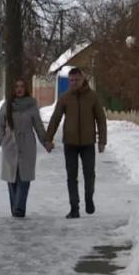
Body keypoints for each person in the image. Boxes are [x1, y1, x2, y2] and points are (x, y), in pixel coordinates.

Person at [45, 67, 107, 219]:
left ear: (83, 79)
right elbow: (55, 118)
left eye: (76, 80)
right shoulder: (65, 98)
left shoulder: (92, 97)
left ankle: (89, 197)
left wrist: (102, 141)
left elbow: (101, 119)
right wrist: (48, 138)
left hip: (88, 143)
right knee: (71, 177)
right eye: (71, 80)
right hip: (70, 143)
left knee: (89, 174)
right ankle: (74, 208)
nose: (73, 83)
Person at [0, 78, 49, 217]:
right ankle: (15, 208)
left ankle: (19, 209)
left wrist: (45, 141)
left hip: (27, 145)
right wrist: (1, 139)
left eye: (22, 86)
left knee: (24, 177)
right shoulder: (7, 105)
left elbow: (38, 125)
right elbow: (0, 124)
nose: (19, 89)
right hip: (10, 144)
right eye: (16, 86)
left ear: (26, 89)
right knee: (12, 178)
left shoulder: (32, 105)